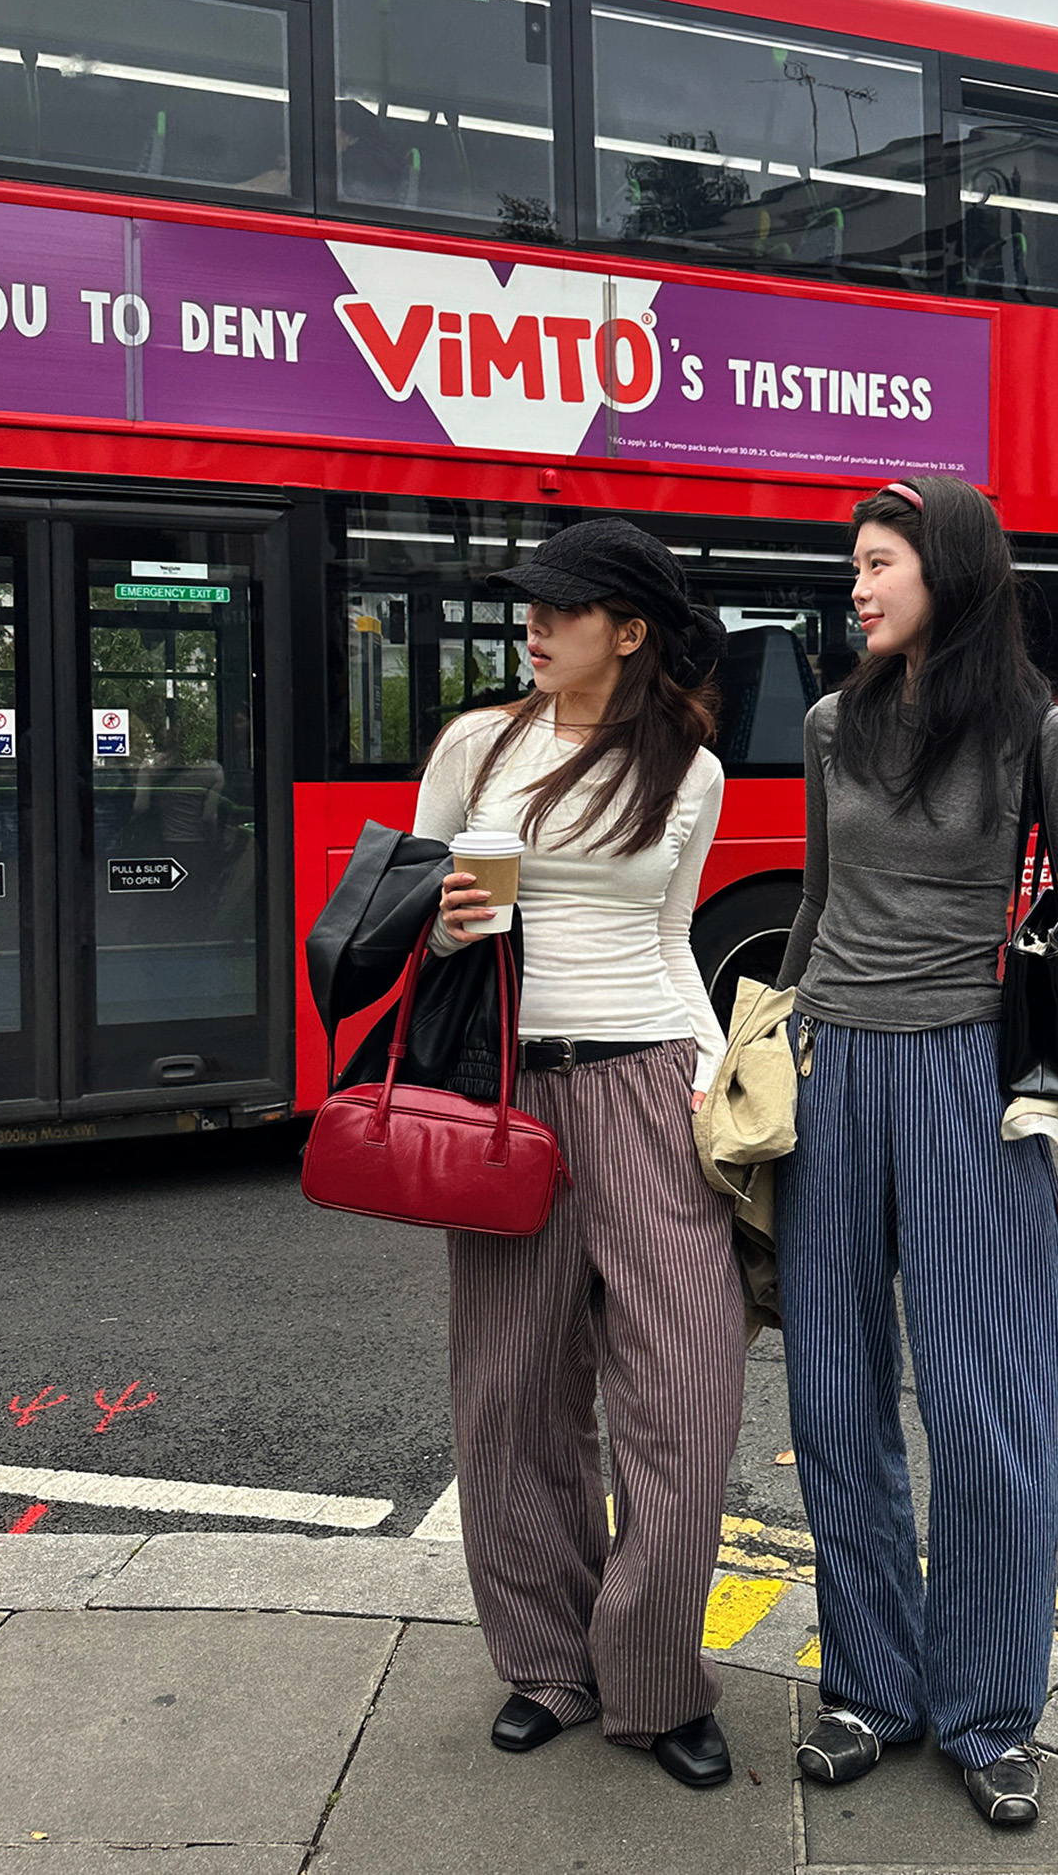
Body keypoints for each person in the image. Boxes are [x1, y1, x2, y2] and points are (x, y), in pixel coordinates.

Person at [774, 476, 1058, 1829]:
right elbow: (817, 904)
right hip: (833, 1073)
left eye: (881, 563)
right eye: (856, 566)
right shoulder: (830, 724)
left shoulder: (1043, 734)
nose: (857, 586)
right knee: (834, 1395)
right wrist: (759, 1059)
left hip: (973, 1082)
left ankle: (987, 1711)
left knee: (991, 1411)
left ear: (952, 572)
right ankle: (872, 1686)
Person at [413, 518, 744, 1791]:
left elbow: (671, 938)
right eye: (530, 607)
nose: (535, 626)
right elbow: (411, 919)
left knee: (686, 1389)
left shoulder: (689, 770)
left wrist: (709, 1076)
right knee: (511, 1392)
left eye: (563, 608)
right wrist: (447, 928)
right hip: (514, 1097)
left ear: (631, 629)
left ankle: (653, 1677)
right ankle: (547, 1664)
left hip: (650, 1083)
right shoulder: (478, 747)